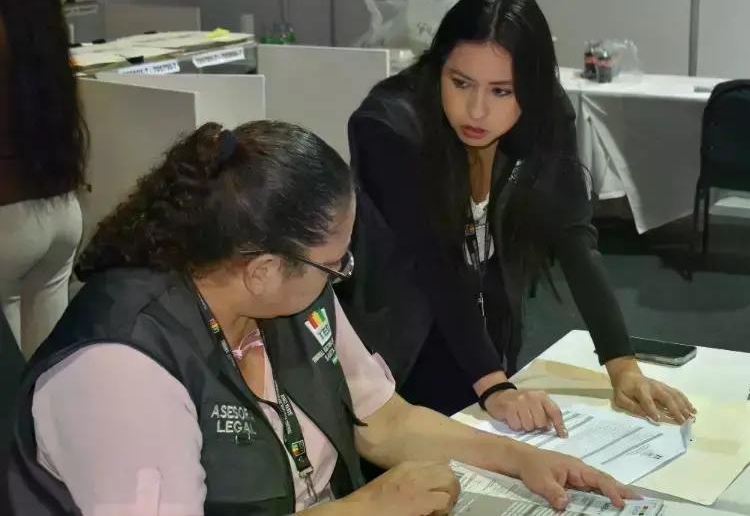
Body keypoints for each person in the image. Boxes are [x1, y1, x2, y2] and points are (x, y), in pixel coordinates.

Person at [6, 121, 633, 515]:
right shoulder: (121, 373)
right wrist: (370, 508)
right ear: (263, 267)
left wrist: (517, 460)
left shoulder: (277, 289)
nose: (345, 274)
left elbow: (382, 420)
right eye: (335, 264)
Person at [344, 0, 694, 438]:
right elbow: (436, 263)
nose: (476, 109)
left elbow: (573, 237)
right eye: (460, 82)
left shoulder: (546, 112)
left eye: (502, 91)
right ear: (438, 67)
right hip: (401, 347)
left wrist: (622, 365)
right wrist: (494, 387)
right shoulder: (390, 128)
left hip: (487, 336)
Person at [0, 0, 88, 356]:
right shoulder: (37, 7)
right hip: (59, 210)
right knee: (51, 382)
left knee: (10, 402)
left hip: (6, 219)